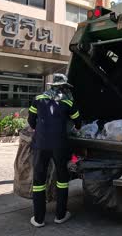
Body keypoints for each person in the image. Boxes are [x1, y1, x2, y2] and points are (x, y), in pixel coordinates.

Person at [27, 73, 82, 227]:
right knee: (62, 179)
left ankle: (38, 219)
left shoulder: (37, 99)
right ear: (64, 87)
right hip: (60, 145)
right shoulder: (69, 102)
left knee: (39, 180)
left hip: (40, 145)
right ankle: (60, 215)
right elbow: (78, 122)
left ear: (51, 85)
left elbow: (31, 122)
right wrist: (74, 128)